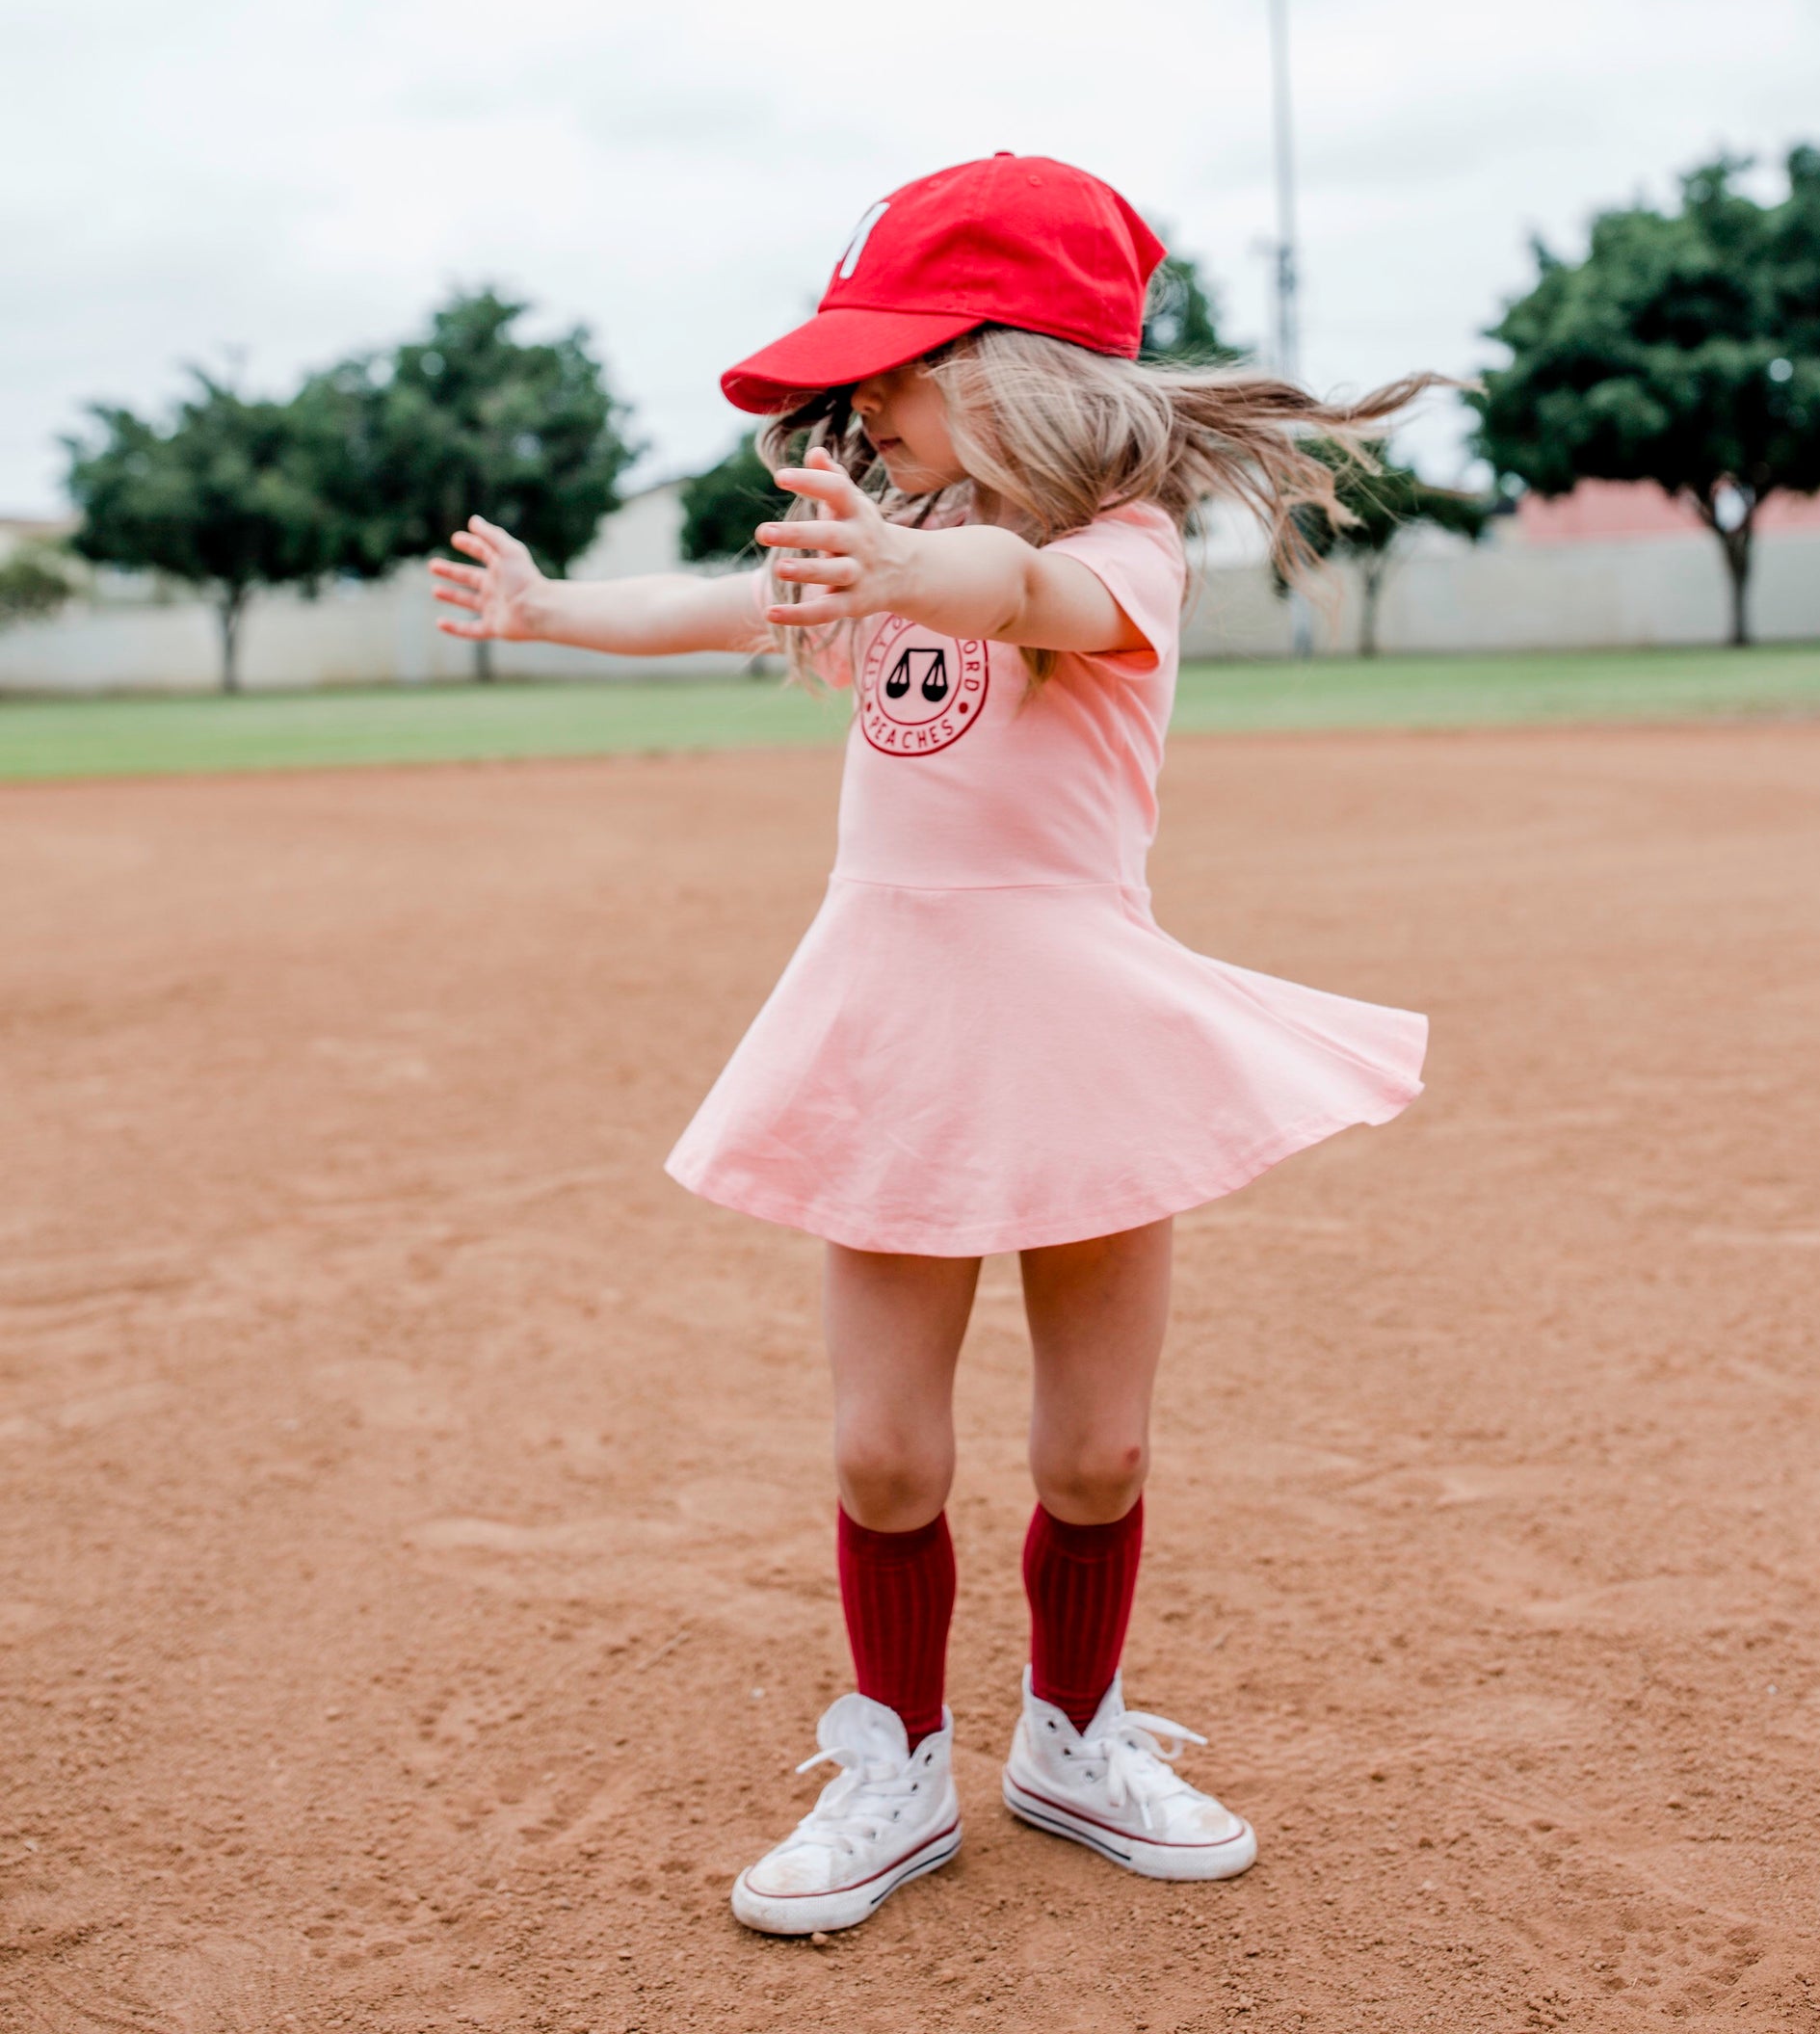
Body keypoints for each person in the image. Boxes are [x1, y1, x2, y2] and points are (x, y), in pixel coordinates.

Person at [430, 152, 1431, 1936]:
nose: (862, 402)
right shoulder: (886, 555)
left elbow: (1009, 593)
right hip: (893, 1026)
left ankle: (1074, 1736)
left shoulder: (1112, 555)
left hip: (1084, 1033)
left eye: (897, 365)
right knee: (885, 1456)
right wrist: (550, 609)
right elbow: (724, 605)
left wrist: (906, 558)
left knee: (1094, 1455)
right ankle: (895, 1756)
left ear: (1019, 366)